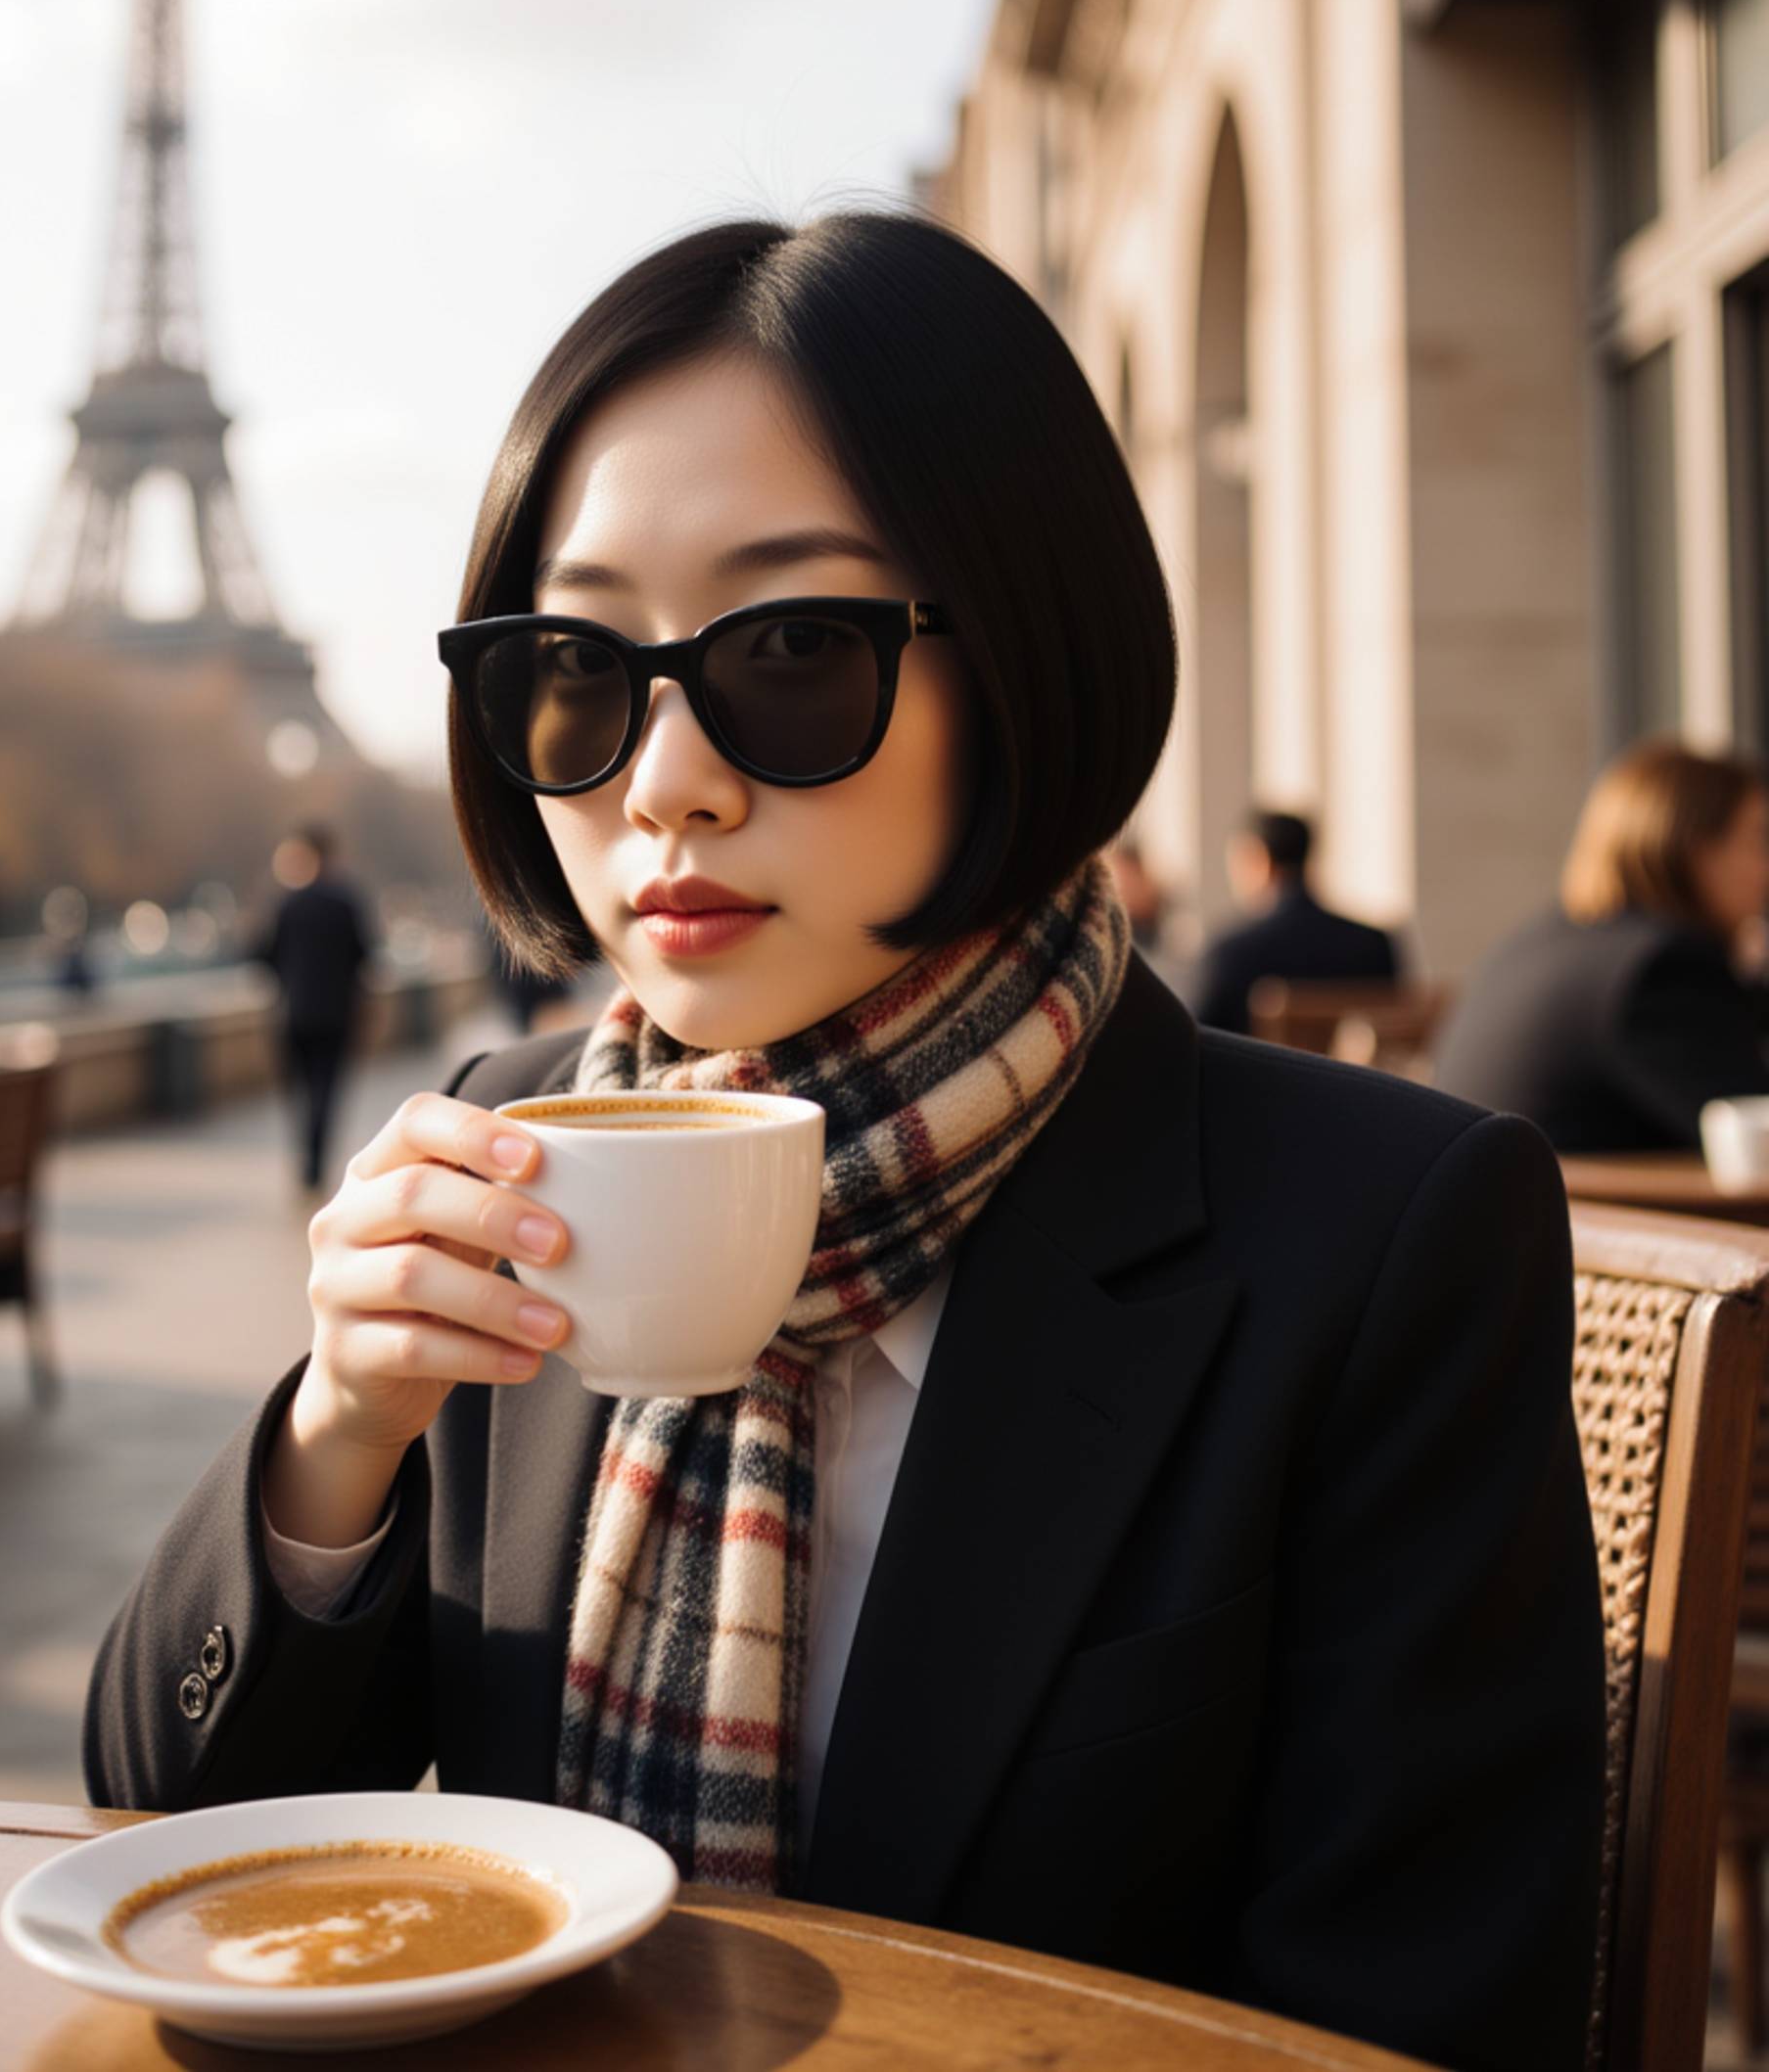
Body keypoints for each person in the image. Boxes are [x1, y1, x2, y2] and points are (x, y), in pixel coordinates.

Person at [85, 212, 1604, 2072]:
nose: (664, 781)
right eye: (574, 667)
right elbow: (163, 1843)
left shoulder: (1380, 1242)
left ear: (1028, 651)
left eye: (795, 649)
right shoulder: (503, 1152)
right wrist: (337, 1439)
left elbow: (1425, 2013)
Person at [1433, 738, 1769, 1151]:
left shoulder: (1543, 945)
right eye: (1757, 839)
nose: (1766, 867)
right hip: (1584, 1196)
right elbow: (1752, 1129)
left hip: (1510, 1189)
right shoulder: (1660, 970)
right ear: (1696, 851)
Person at [1187, 808, 1400, 1036]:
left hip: (1262, 1060)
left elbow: (1197, 1038)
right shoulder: (1374, 945)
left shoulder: (1232, 953)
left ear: (1260, 859)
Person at [253, 824, 376, 1193]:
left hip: (294, 1013)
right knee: (326, 1091)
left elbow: (261, 955)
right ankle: (316, 1162)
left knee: (299, 1092)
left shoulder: (285, 904)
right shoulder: (346, 903)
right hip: (337, 1014)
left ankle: (306, 1159)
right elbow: (365, 957)